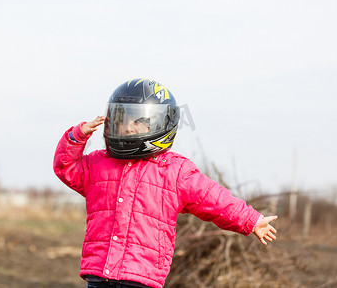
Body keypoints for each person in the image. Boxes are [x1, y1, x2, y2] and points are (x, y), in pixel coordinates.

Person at [54, 79, 278, 288]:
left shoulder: (175, 171)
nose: (129, 127)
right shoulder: (99, 164)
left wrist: (250, 220)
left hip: (141, 276)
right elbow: (66, 168)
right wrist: (77, 136)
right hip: (99, 273)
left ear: (161, 123)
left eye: (139, 121)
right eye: (123, 119)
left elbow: (214, 199)